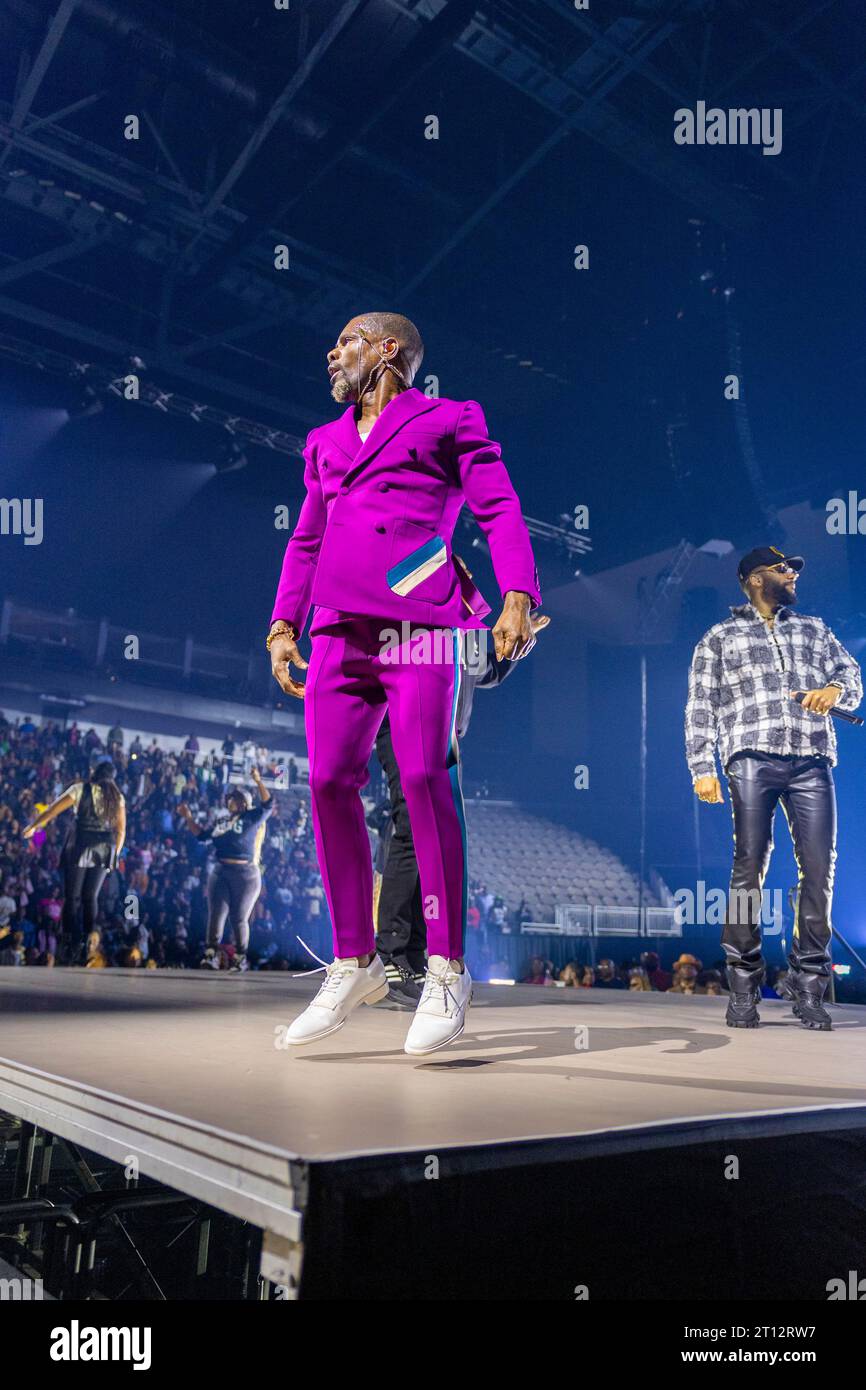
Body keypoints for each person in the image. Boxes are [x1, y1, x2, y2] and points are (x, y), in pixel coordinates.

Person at [268, 312, 540, 1054]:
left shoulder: (448, 419)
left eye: (347, 341)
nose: (332, 352)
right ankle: (355, 962)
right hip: (335, 632)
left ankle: (447, 967)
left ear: (388, 351)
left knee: (422, 774)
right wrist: (283, 625)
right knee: (327, 782)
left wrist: (517, 591)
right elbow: (307, 538)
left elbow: (497, 505)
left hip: (416, 624)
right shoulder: (324, 442)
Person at [686, 546, 862, 1030]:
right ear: (756, 578)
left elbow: (850, 672)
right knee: (750, 865)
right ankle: (743, 985)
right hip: (751, 757)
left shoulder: (815, 628)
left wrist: (837, 691)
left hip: (811, 759)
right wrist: (702, 767)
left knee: (819, 868)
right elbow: (701, 707)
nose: (793, 575)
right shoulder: (719, 637)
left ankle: (808, 986)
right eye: (784, 569)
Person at [374, 590, 550, 1006]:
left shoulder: (465, 621)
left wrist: (510, 651)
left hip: (444, 737)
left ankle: (413, 958)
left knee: (428, 840)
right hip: (401, 724)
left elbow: (482, 671)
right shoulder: (406, 608)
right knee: (409, 832)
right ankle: (391, 957)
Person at [22, 756, 126, 961]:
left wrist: (34, 827)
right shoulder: (117, 797)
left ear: (94, 773)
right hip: (104, 848)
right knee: (90, 898)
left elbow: (52, 810)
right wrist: (114, 855)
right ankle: (88, 942)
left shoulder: (80, 789)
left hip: (80, 844)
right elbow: (121, 830)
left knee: (72, 897)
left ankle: (69, 943)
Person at [178, 767, 272, 974]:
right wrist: (188, 817)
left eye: (235, 799)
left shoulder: (251, 818)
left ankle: (240, 958)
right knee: (216, 914)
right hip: (221, 870)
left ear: (244, 803)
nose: (230, 802)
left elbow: (268, 804)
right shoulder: (222, 822)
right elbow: (202, 836)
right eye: (229, 799)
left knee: (238, 918)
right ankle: (211, 954)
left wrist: (258, 780)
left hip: (245, 874)